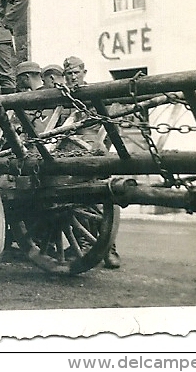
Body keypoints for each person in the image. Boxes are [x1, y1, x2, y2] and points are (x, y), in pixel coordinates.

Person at [62, 55, 121, 269]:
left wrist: (100, 147)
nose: (72, 77)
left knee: (99, 199)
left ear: (84, 73)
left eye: (76, 73)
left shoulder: (95, 95)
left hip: (93, 151)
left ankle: (109, 249)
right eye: (68, 74)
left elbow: (109, 125)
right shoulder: (64, 99)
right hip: (69, 154)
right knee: (73, 200)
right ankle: (83, 243)